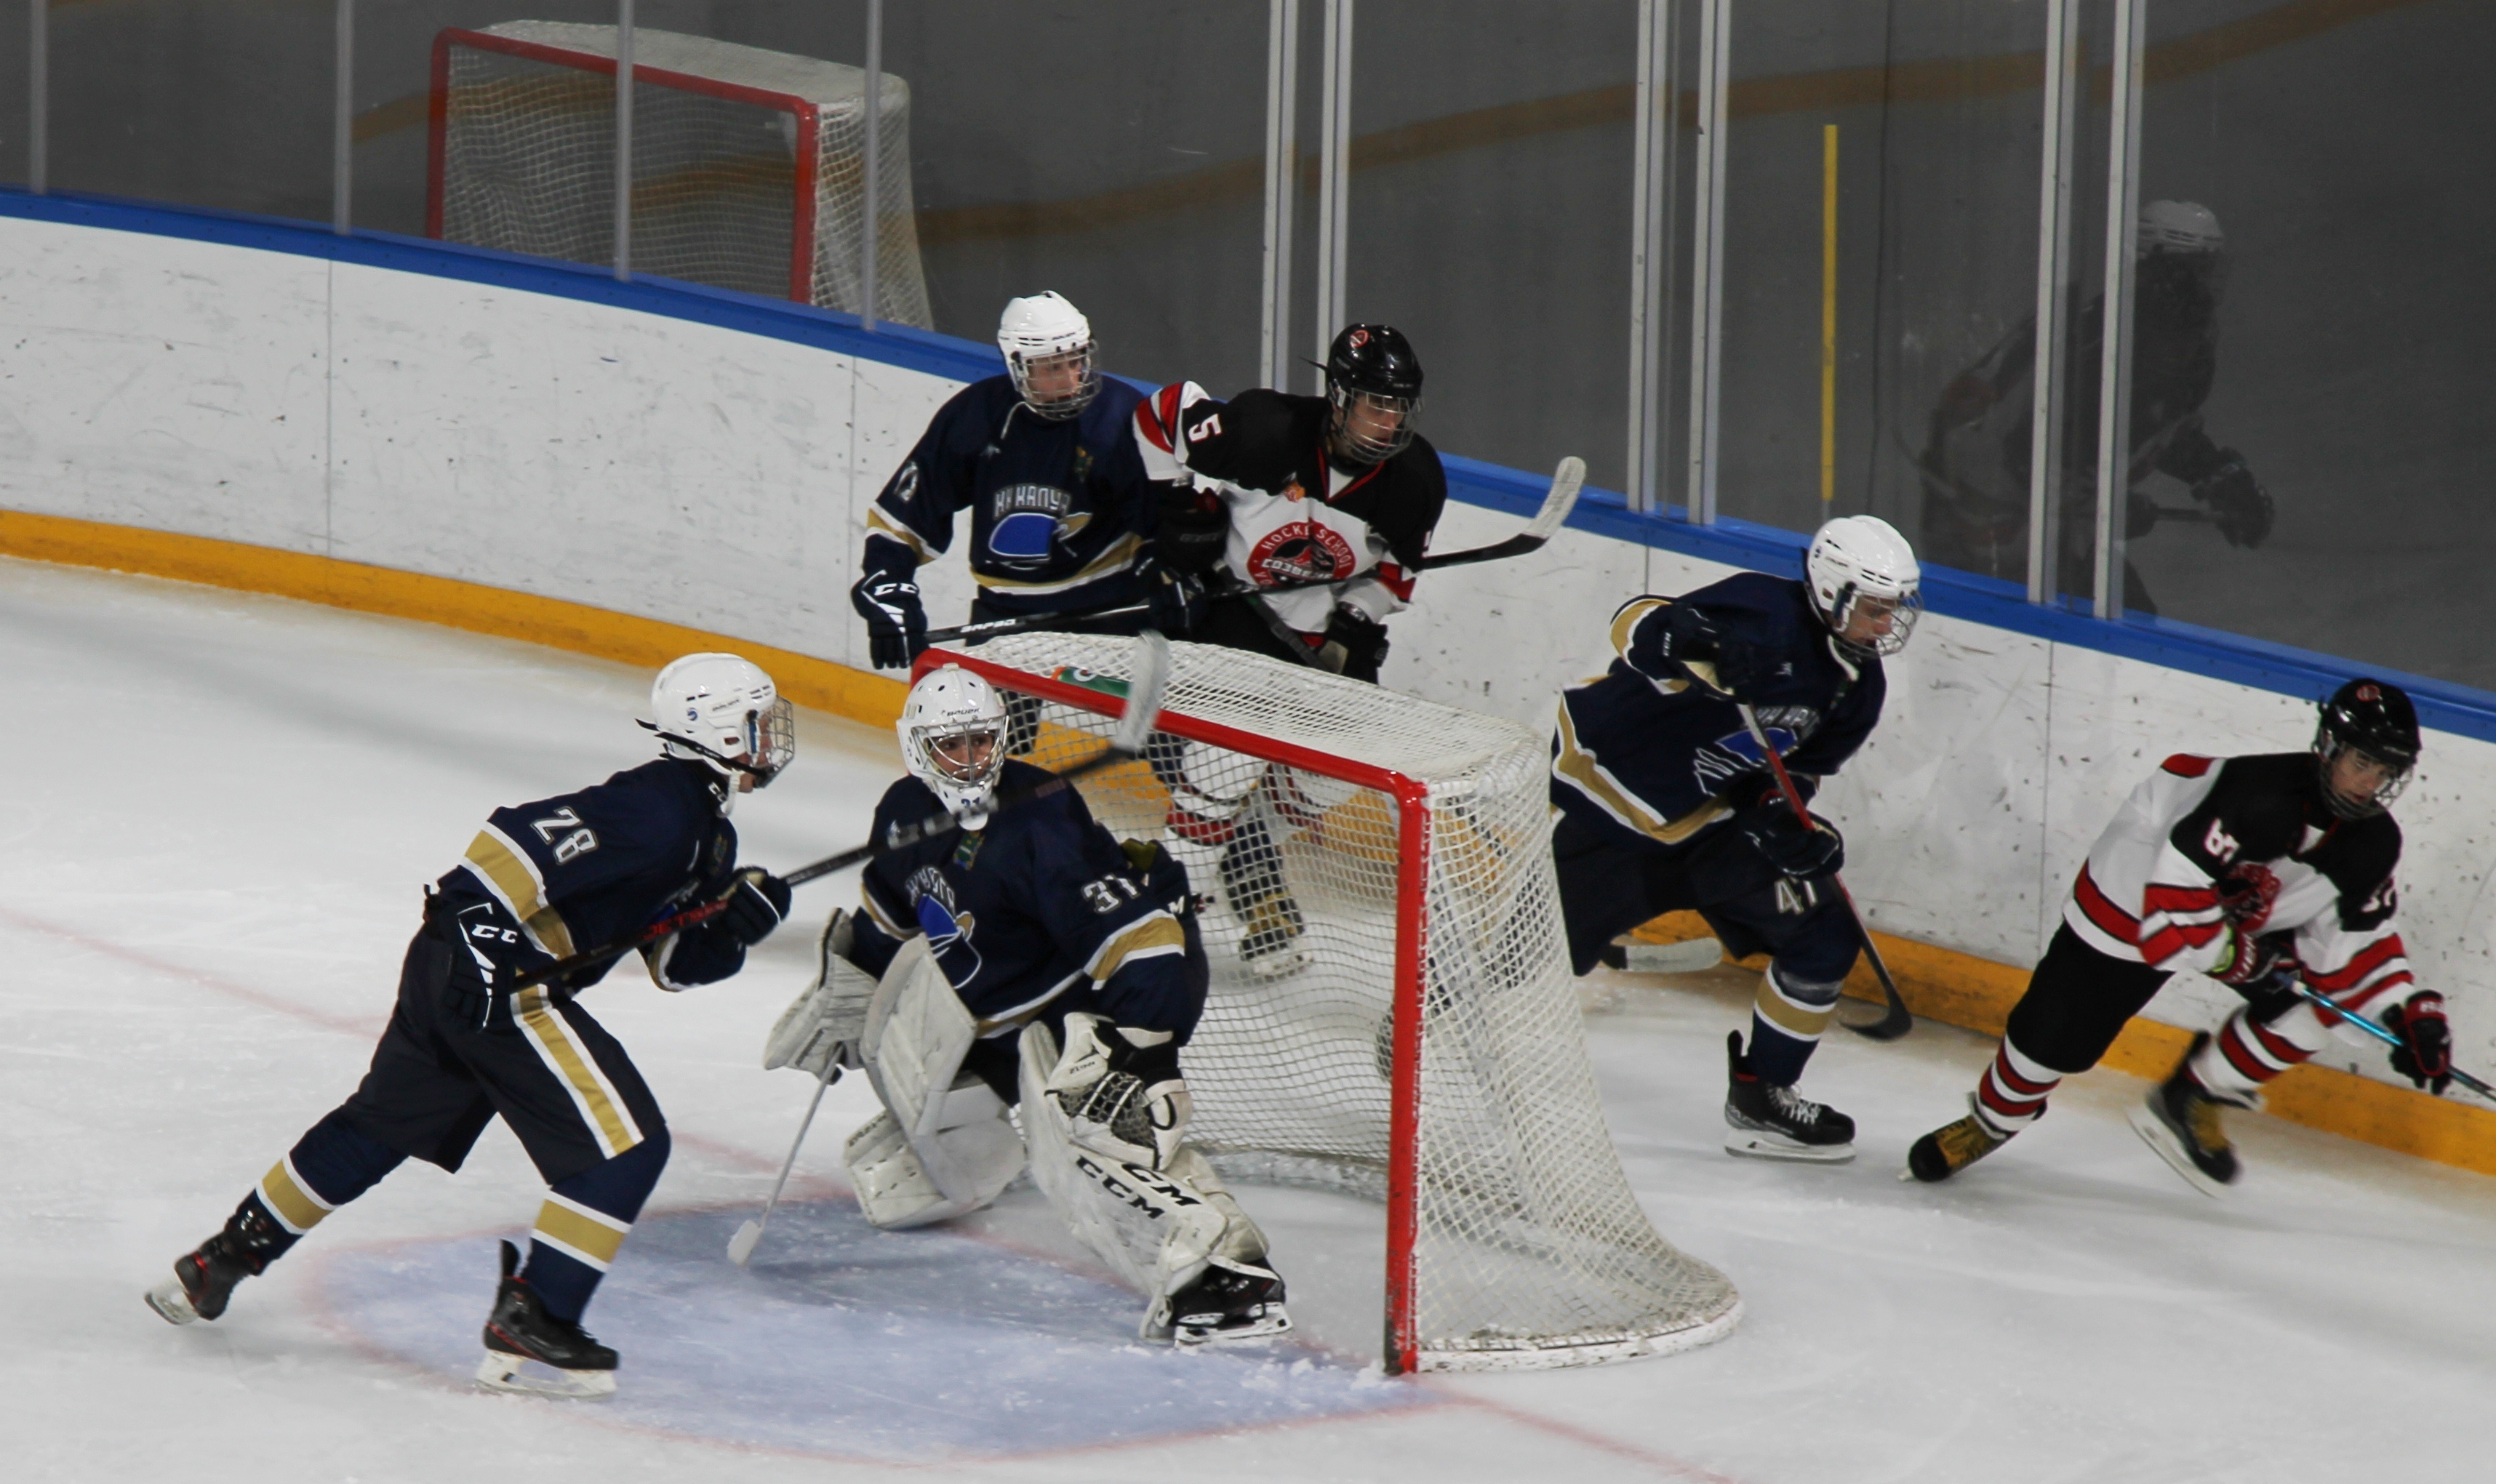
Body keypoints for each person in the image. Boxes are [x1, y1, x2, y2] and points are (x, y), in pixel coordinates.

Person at [143, 655, 799, 1398]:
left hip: (455, 964)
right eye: (757, 721)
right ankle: (537, 1313)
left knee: (379, 1126)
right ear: (719, 731)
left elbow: (675, 965)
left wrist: (735, 927)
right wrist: (481, 947)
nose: (769, 736)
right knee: (626, 1146)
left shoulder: (706, 834)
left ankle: (223, 1258)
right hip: (497, 974)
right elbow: (516, 844)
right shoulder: (662, 808)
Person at [763, 663, 1289, 1344]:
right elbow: (889, 914)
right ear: (916, 748)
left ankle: (1227, 1270)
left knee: (1103, 1131)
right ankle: (983, 1150)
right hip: (998, 1010)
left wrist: (1143, 1050)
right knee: (926, 1123)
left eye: (982, 741)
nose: (970, 760)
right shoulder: (903, 812)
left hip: (1088, 997)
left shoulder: (1040, 818)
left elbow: (1141, 939)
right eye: (951, 745)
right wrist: (853, 983)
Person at [1905, 679, 2439, 1195]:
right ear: (2329, 748)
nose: (2369, 783)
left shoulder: (2374, 842)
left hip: (2236, 906)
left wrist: (2402, 1015)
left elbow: (2358, 943)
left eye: (2384, 770)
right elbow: (2174, 890)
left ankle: (2189, 1095)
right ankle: (1993, 1121)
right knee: (2051, 1041)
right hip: (2136, 889)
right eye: (2361, 763)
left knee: (2311, 1012)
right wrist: (2235, 956)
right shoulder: (2257, 794)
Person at [1548, 516, 1921, 1163]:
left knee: (1824, 933)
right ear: (1831, 590)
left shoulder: (1860, 688)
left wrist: (1781, 818)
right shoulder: (1760, 608)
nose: (1885, 623)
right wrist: (1682, 635)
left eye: (1893, 608)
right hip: (1616, 808)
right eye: (1874, 607)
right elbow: (1632, 625)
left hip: (1714, 826)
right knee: (1527, 959)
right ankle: (1421, 1031)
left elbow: (1798, 772)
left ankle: (1763, 1097)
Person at [1127, 324, 1449, 976]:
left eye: (1398, 408)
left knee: (1337, 770)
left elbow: (1396, 574)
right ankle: (1164, 920)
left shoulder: (1415, 480)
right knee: (1221, 764)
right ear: (1339, 397)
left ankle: (1250, 844)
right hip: (1228, 614)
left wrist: (1358, 618)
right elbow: (1160, 414)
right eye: (1375, 404)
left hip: (1316, 635)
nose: (1389, 423)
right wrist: (1178, 507)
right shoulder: (1264, 431)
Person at [1917, 201, 2273, 613]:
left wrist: (2215, 473)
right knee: (2116, 629)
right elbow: (2028, 458)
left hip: (2042, 534)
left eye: (2209, 270)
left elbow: (2151, 427)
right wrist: (2110, 509)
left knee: (2131, 623)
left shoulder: (2163, 341)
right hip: (1987, 535)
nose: (2204, 287)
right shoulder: (2101, 343)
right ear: (2159, 270)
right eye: (2194, 270)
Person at [847, 292, 1184, 673]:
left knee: (1140, 712)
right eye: (1052, 368)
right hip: (1006, 615)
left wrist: (1171, 572)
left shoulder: (1119, 418)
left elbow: (1163, 522)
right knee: (983, 713)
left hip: (1111, 614)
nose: (1072, 380)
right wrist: (890, 586)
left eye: (1076, 361)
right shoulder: (977, 417)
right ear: (1018, 366)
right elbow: (905, 517)